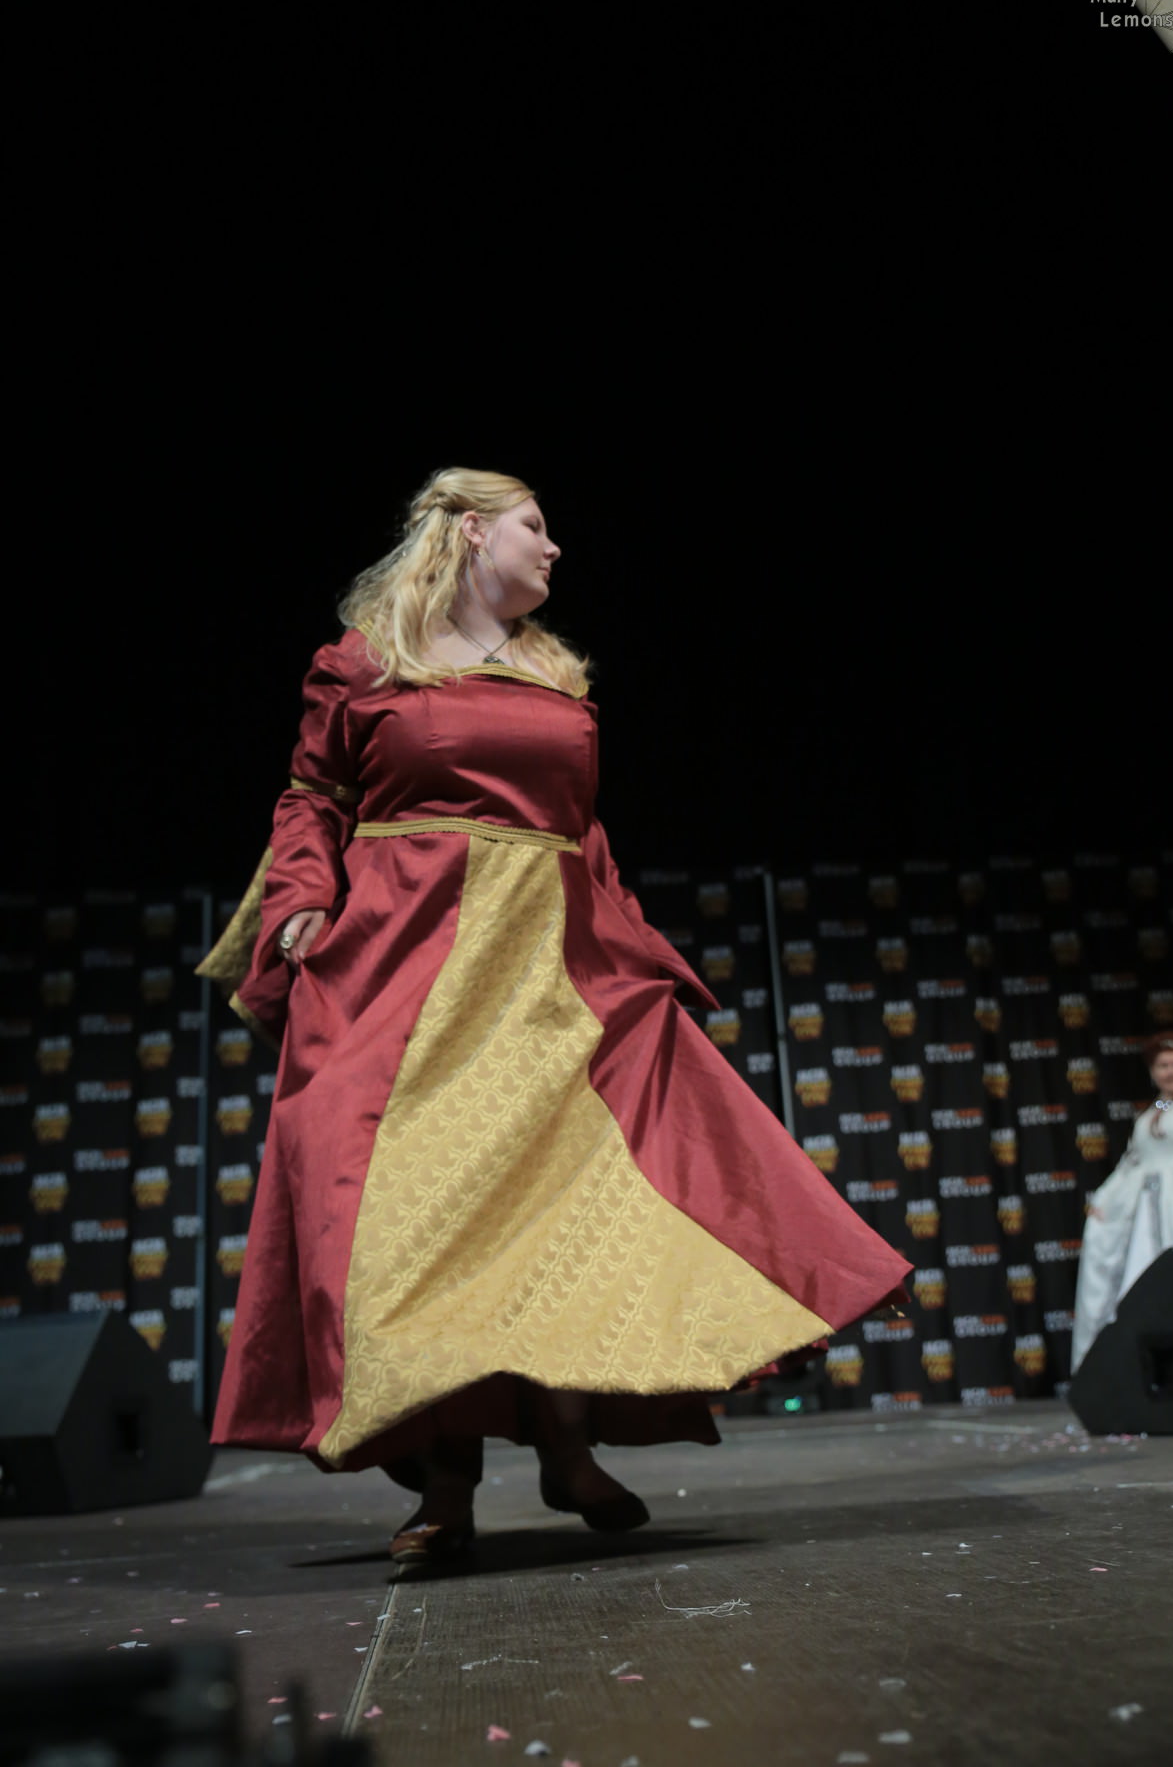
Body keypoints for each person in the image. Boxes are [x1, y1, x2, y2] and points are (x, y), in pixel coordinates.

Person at [199, 467, 912, 1568]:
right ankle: (446, 1483)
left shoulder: (557, 673)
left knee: (560, 1204)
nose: (554, 547)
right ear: (470, 531)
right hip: (399, 964)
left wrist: (634, 949)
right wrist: (299, 897)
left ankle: (568, 1447)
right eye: (534, 526)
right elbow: (313, 799)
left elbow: (584, 835)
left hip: (545, 971)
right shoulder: (366, 659)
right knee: (406, 1213)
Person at [1071, 1031, 1173, 1372]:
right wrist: (1104, 1198)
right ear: (1153, 1071)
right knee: (1145, 1281)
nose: (1170, 1072)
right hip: (1148, 1210)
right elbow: (1132, 1161)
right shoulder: (1158, 1109)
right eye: (1163, 1066)